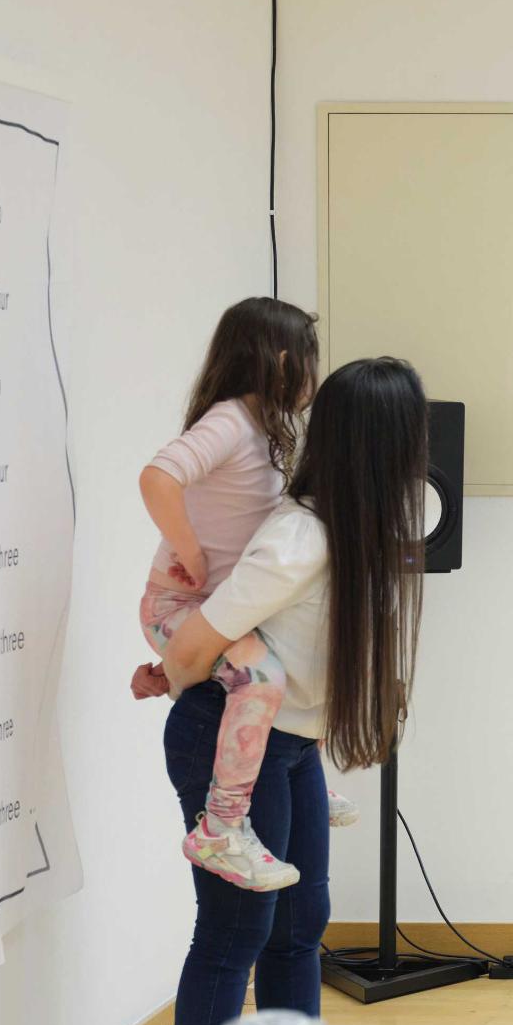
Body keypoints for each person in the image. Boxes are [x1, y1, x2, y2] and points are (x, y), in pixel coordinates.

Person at [133, 356, 430, 1025]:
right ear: (385, 443)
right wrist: (175, 677)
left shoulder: (360, 531)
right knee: (237, 931)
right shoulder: (300, 537)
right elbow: (193, 642)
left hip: (291, 746)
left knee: (299, 926)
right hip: (230, 737)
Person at [137, 297, 359, 892]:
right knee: (263, 680)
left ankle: (273, 775)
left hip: (209, 610)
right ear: (285, 360)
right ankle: (223, 822)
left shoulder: (262, 429)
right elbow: (158, 477)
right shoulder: (230, 421)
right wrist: (186, 551)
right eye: (311, 362)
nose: (314, 377)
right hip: (178, 605)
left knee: (284, 662)